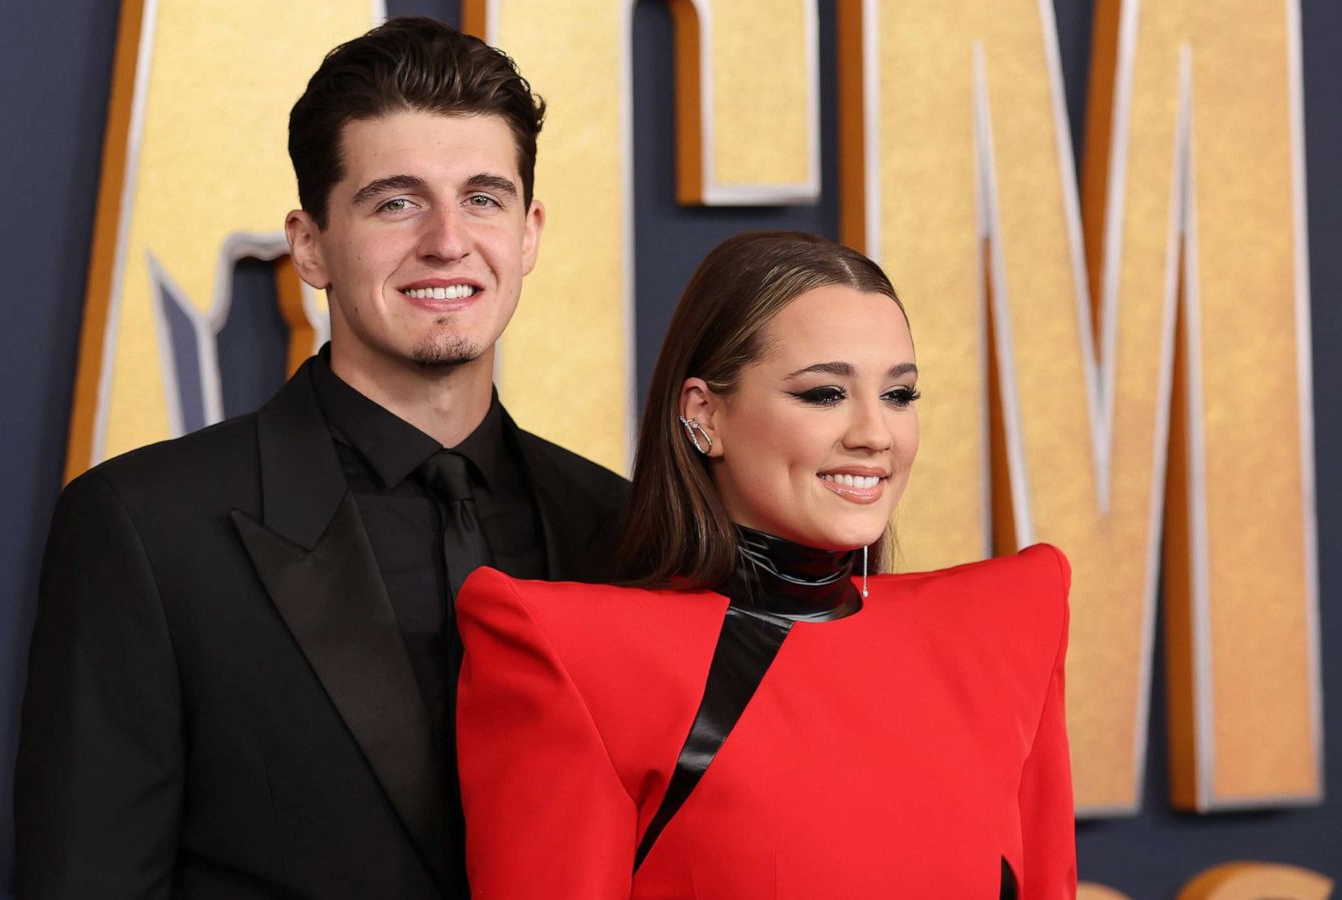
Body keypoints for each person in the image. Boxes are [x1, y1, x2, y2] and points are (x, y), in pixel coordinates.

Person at [14, 18, 625, 899]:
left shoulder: (619, 528)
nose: (448, 240)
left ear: (528, 233)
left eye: (484, 197)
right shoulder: (145, 529)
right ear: (309, 245)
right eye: (396, 201)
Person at [455, 231, 1076, 898]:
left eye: (898, 395)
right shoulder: (579, 660)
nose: (875, 433)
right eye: (823, 394)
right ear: (704, 416)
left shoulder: (1006, 629)